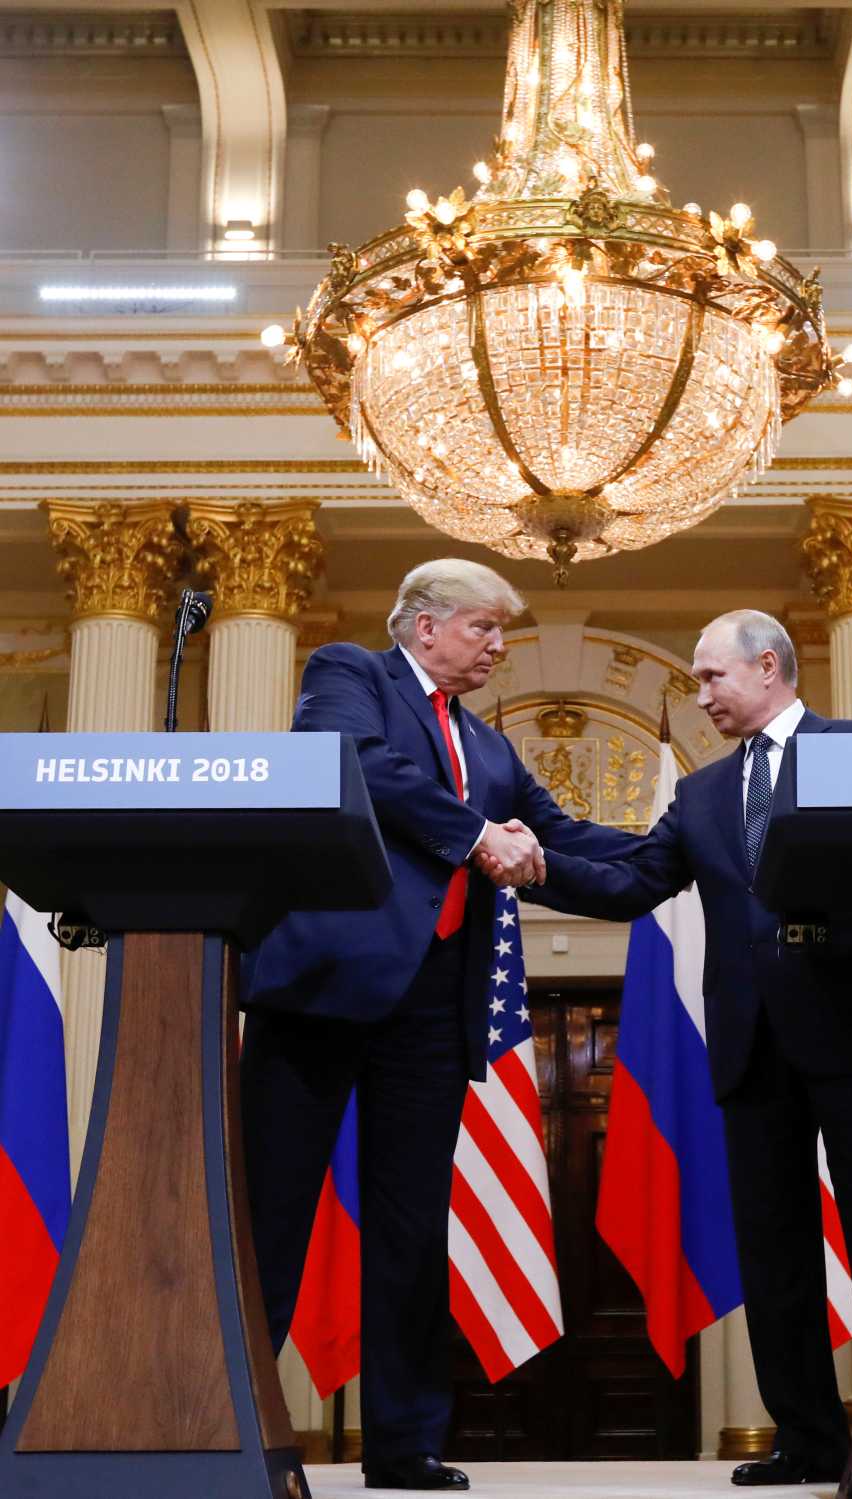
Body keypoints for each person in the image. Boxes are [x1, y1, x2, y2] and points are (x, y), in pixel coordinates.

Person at [479, 609, 852, 1487]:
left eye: (713, 676)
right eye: (701, 680)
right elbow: (636, 880)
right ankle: (808, 1439)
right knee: (774, 1249)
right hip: (750, 1046)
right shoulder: (704, 795)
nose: (702, 692)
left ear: (769, 667)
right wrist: (541, 864)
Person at [240, 558, 637, 1492]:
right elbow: (359, 767)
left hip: (431, 1004)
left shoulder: (491, 750)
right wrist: (474, 836)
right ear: (425, 627)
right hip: (323, 988)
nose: (500, 645)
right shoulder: (352, 675)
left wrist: (684, 849)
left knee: (412, 1227)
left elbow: (564, 839)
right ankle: (230, 1416)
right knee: (271, 1213)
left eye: (502, 631)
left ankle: (404, 1444)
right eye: (484, 628)